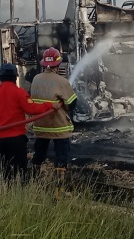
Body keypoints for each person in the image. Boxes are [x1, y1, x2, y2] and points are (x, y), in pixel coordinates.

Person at [0, 63, 60, 185]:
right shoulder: (19, 93)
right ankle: (17, 196)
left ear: (0, 77)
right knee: (20, 173)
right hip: (17, 141)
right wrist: (50, 105)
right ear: (15, 77)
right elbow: (33, 109)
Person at [29, 47, 78, 184]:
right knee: (61, 157)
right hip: (59, 128)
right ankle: (59, 190)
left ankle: (34, 182)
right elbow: (72, 104)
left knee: (38, 156)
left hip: (40, 127)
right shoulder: (61, 81)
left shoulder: (36, 79)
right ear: (58, 64)